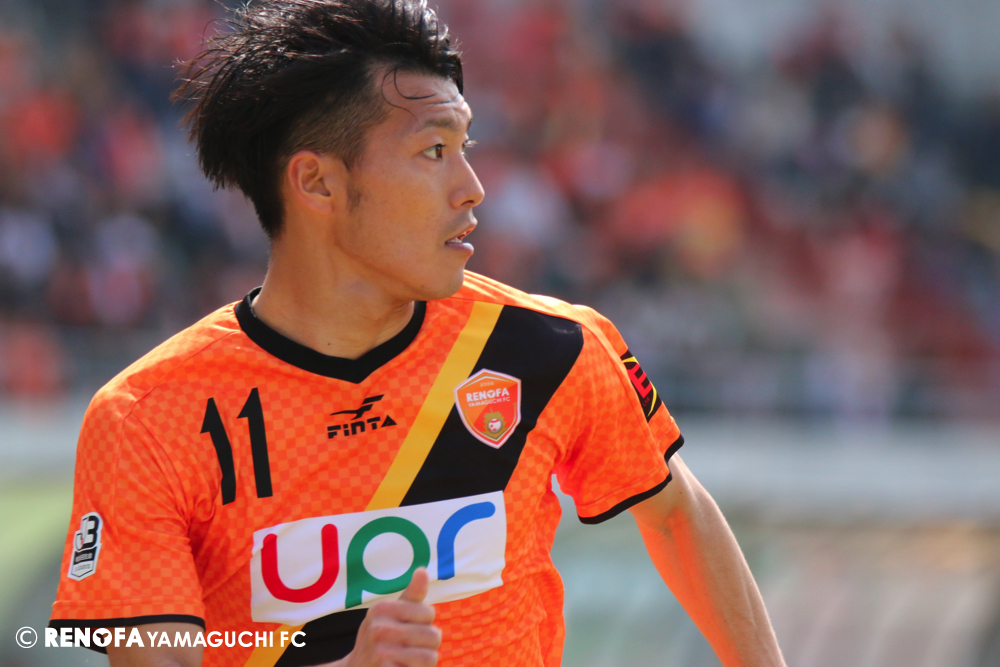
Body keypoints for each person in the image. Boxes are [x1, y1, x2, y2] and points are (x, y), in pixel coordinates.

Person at [49, 1, 786, 666]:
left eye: (466, 146)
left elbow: (677, 512)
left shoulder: (551, 348)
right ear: (317, 183)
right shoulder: (147, 420)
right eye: (434, 151)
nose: (473, 187)